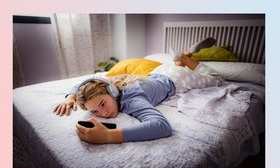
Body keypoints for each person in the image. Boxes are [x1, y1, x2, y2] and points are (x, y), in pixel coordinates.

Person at [53, 38, 222, 144]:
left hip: (176, 78)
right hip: (158, 72)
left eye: (102, 104)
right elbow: (86, 84)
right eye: (95, 111)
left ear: (112, 92)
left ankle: (184, 58)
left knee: (216, 79)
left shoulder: (132, 100)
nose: (102, 113)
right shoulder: (109, 87)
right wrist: (70, 98)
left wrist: (108, 136)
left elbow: (162, 126)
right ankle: (181, 57)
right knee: (175, 66)